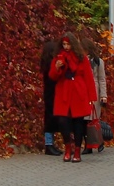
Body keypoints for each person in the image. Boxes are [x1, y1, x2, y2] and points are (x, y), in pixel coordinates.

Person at [48, 32, 99, 162]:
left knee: (78, 122)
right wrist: (57, 68)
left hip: (78, 92)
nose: (66, 47)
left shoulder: (82, 58)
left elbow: (88, 77)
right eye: (64, 44)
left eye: (68, 44)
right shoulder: (58, 58)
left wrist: (92, 97)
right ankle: (67, 147)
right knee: (62, 121)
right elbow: (52, 76)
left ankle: (77, 149)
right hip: (63, 91)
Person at [39, 36, 62, 155]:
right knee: (50, 119)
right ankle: (49, 144)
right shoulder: (49, 66)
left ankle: (51, 143)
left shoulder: (45, 65)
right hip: (52, 94)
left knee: (50, 118)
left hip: (50, 94)